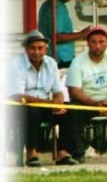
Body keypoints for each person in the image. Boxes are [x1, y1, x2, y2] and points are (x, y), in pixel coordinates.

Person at [6, 30, 79, 166]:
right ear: (26, 49)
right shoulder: (16, 65)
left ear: (46, 49)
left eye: (40, 48)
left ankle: (62, 153)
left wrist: (58, 103)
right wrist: (49, 103)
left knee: (70, 110)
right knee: (31, 111)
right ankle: (31, 153)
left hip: (46, 104)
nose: (37, 52)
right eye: (32, 48)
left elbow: (58, 91)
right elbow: (18, 96)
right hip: (21, 107)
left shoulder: (51, 63)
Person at [65, 27, 107, 162]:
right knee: (71, 111)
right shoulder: (77, 62)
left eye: (101, 42)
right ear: (88, 43)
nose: (97, 46)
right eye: (93, 42)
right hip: (87, 101)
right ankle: (78, 152)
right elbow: (74, 91)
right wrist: (94, 104)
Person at [38, 0, 91, 68]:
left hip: (54, 56)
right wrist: (82, 34)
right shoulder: (56, 7)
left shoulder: (47, 4)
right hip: (60, 58)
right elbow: (57, 37)